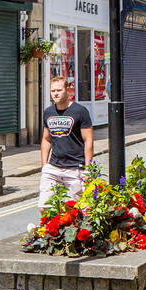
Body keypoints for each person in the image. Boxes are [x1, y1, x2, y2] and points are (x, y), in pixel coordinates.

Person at [39, 74, 94, 211]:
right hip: (53, 167)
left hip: (75, 167)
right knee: (44, 207)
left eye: (59, 90)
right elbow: (46, 139)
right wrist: (44, 165)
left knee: (76, 210)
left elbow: (88, 140)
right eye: (53, 91)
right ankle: (49, 232)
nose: (56, 94)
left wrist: (88, 169)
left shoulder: (80, 111)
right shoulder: (48, 112)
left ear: (67, 90)